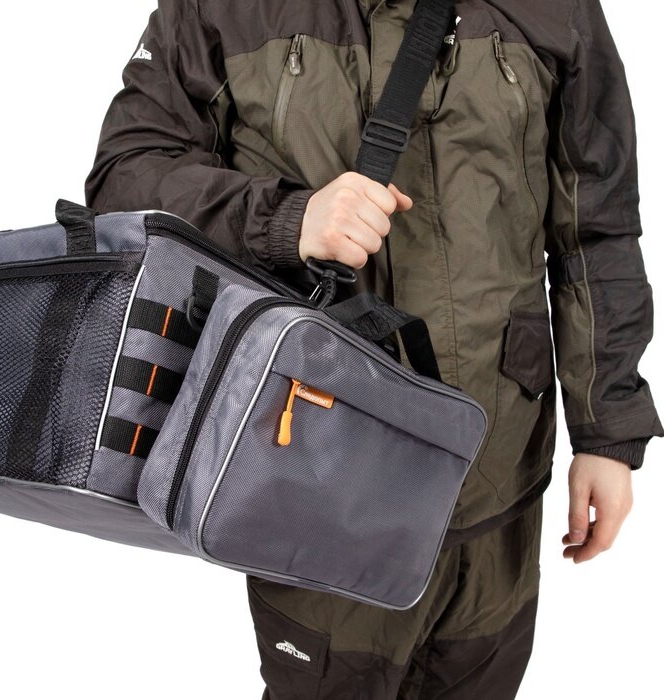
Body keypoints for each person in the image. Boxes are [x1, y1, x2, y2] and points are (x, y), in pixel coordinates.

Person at [85, 1, 663, 697]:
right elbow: (125, 177)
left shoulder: (555, 9)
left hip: (499, 476)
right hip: (315, 474)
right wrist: (288, 218)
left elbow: (595, 229)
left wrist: (607, 431)